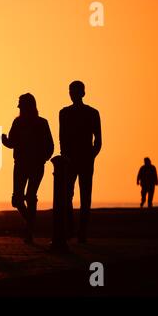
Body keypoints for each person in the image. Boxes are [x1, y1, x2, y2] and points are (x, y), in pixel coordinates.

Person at [2, 93, 54, 243]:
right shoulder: (18, 122)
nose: (19, 107)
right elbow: (12, 143)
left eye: (21, 104)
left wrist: (43, 159)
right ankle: (30, 223)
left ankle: (29, 229)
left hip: (32, 165)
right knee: (18, 199)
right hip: (21, 164)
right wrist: (5, 141)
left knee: (30, 196)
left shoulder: (40, 123)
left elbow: (49, 146)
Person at [59, 81, 102, 243]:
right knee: (66, 195)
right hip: (70, 160)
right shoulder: (64, 113)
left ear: (83, 93)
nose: (73, 94)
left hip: (84, 159)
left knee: (85, 196)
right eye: (71, 91)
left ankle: (81, 231)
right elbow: (62, 138)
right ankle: (71, 228)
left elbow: (98, 140)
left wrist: (91, 156)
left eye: (75, 91)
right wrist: (65, 157)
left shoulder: (92, 113)